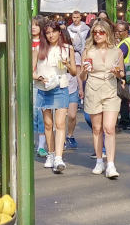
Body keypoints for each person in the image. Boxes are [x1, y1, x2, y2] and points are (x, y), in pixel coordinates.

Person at [79, 21, 124, 179]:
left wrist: (117, 72)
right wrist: (84, 71)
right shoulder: (88, 51)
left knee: (109, 128)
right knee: (97, 128)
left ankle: (111, 164)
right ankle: (99, 161)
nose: (97, 35)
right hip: (93, 90)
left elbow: (122, 74)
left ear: (107, 33)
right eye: (95, 32)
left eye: (101, 32)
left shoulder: (116, 51)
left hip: (111, 91)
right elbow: (82, 76)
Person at [35, 20, 77, 174]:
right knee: (47, 124)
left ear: (60, 32)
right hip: (44, 88)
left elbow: (73, 72)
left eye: (53, 31)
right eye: (47, 32)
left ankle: (59, 157)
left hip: (61, 87)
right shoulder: (39, 48)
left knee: (60, 123)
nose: (51, 35)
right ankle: (51, 154)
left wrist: (67, 64)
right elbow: (31, 71)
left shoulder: (67, 49)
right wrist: (38, 77)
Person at [32, 19, 48, 158]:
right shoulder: (24, 42)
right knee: (30, 112)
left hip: (41, 81)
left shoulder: (45, 44)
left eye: (36, 25)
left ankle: (41, 145)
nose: (33, 27)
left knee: (41, 113)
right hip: (27, 80)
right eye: (31, 25)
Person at [115, 21, 130, 131]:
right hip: (128, 74)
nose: (117, 32)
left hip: (122, 75)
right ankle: (125, 121)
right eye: (116, 30)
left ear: (126, 32)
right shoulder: (129, 41)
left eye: (120, 31)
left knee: (122, 99)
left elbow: (118, 58)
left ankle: (125, 121)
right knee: (125, 99)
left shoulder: (123, 44)